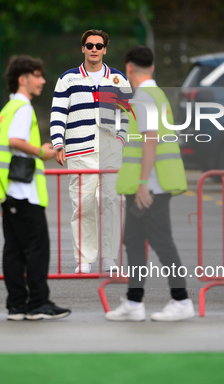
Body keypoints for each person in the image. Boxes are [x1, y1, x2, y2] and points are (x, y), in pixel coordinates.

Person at [105, 46, 195, 322]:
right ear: (152, 67)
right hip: (147, 185)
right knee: (133, 241)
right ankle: (134, 302)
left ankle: (181, 300)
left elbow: (150, 139)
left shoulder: (144, 96)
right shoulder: (157, 94)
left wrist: (143, 183)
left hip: (150, 187)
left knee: (161, 242)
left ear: (128, 69)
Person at [0, 56, 71, 321]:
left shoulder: (7, 109)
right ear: (23, 79)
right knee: (36, 249)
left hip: (8, 190)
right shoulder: (22, 108)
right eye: (37, 74)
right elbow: (16, 140)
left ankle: (17, 306)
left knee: (14, 250)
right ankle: (38, 304)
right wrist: (42, 153)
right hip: (24, 193)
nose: (43, 80)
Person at [50, 29, 132, 274]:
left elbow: (126, 114)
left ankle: (109, 258)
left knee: (113, 202)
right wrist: (58, 143)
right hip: (79, 150)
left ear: (105, 49)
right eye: (89, 45)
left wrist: (120, 139)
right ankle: (84, 260)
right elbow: (58, 112)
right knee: (83, 204)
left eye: (99, 45)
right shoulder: (68, 79)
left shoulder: (117, 79)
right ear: (83, 48)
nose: (94, 49)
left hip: (110, 151)